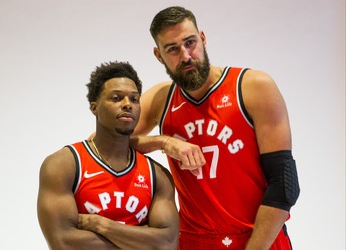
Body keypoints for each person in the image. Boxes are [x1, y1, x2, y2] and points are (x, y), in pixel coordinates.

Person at [129, 6, 300, 250]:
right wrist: (164, 142)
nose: (186, 55)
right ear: (158, 55)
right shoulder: (161, 99)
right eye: (173, 49)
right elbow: (103, 145)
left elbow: (284, 185)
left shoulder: (252, 86)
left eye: (190, 42)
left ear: (203, 38)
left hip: (259, 239)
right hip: (192, 241)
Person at [37, 61, 179, 250]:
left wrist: (102, 225)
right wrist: (140, 238)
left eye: (134, 99)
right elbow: (64, 243)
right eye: (116, 98)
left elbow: (167, 244)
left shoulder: (157, 175)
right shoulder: (64, 165)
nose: (128, 105)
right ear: (94, 108)